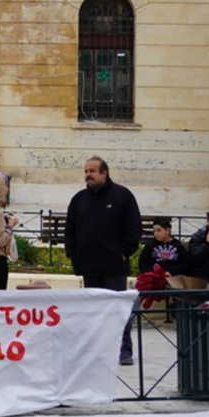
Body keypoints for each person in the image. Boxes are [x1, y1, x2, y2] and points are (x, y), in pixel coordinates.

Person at [64, 156, 142, 365]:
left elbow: (134, 229)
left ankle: (123, 351)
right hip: (89, 266)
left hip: (114, 266)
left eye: (92, 171)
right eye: (86, 171)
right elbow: (70, 228)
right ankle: (97, 351)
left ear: (104, 173)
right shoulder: (79, 199)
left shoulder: (122, 196)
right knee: (93, 310)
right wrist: (72, 253)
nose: (88, 175)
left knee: (117, 309)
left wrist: (124, 252)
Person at [138, 216, 191, 285]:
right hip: (153, 280)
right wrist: (152, 272)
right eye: (154, 231)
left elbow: (184, 263)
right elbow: (142, 262)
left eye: (159, 230)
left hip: (173, 280)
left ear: (167, 230)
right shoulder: (150, 245)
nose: (155, 233)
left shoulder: (177, 245)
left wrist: (171, 272)